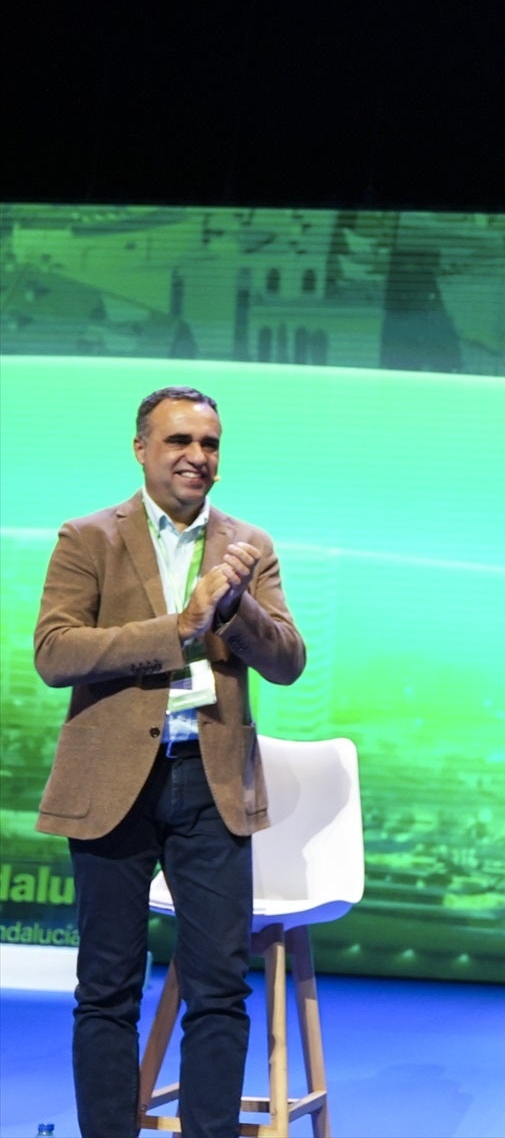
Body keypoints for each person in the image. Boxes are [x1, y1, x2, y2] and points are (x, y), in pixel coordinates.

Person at [33, 385, 307, 1138]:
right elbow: (55, 651)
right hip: (112, 779)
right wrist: (179, 628)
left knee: (220, 987)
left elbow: (288, 661)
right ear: (142, 449)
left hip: (210, 779)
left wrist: (235, 608)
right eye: (180, 441)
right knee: (108, 988)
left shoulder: (249, 544)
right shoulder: (89, 536)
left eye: (210, 444)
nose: (197, 457)